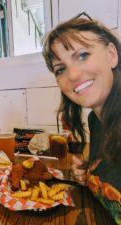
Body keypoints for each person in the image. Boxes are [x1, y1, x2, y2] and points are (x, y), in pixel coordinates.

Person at [42, 12, 121, 224]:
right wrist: (93, 174)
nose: (73, 75)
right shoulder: (97, 120)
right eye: (60, 69)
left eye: (83, 55)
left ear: (112, 55)